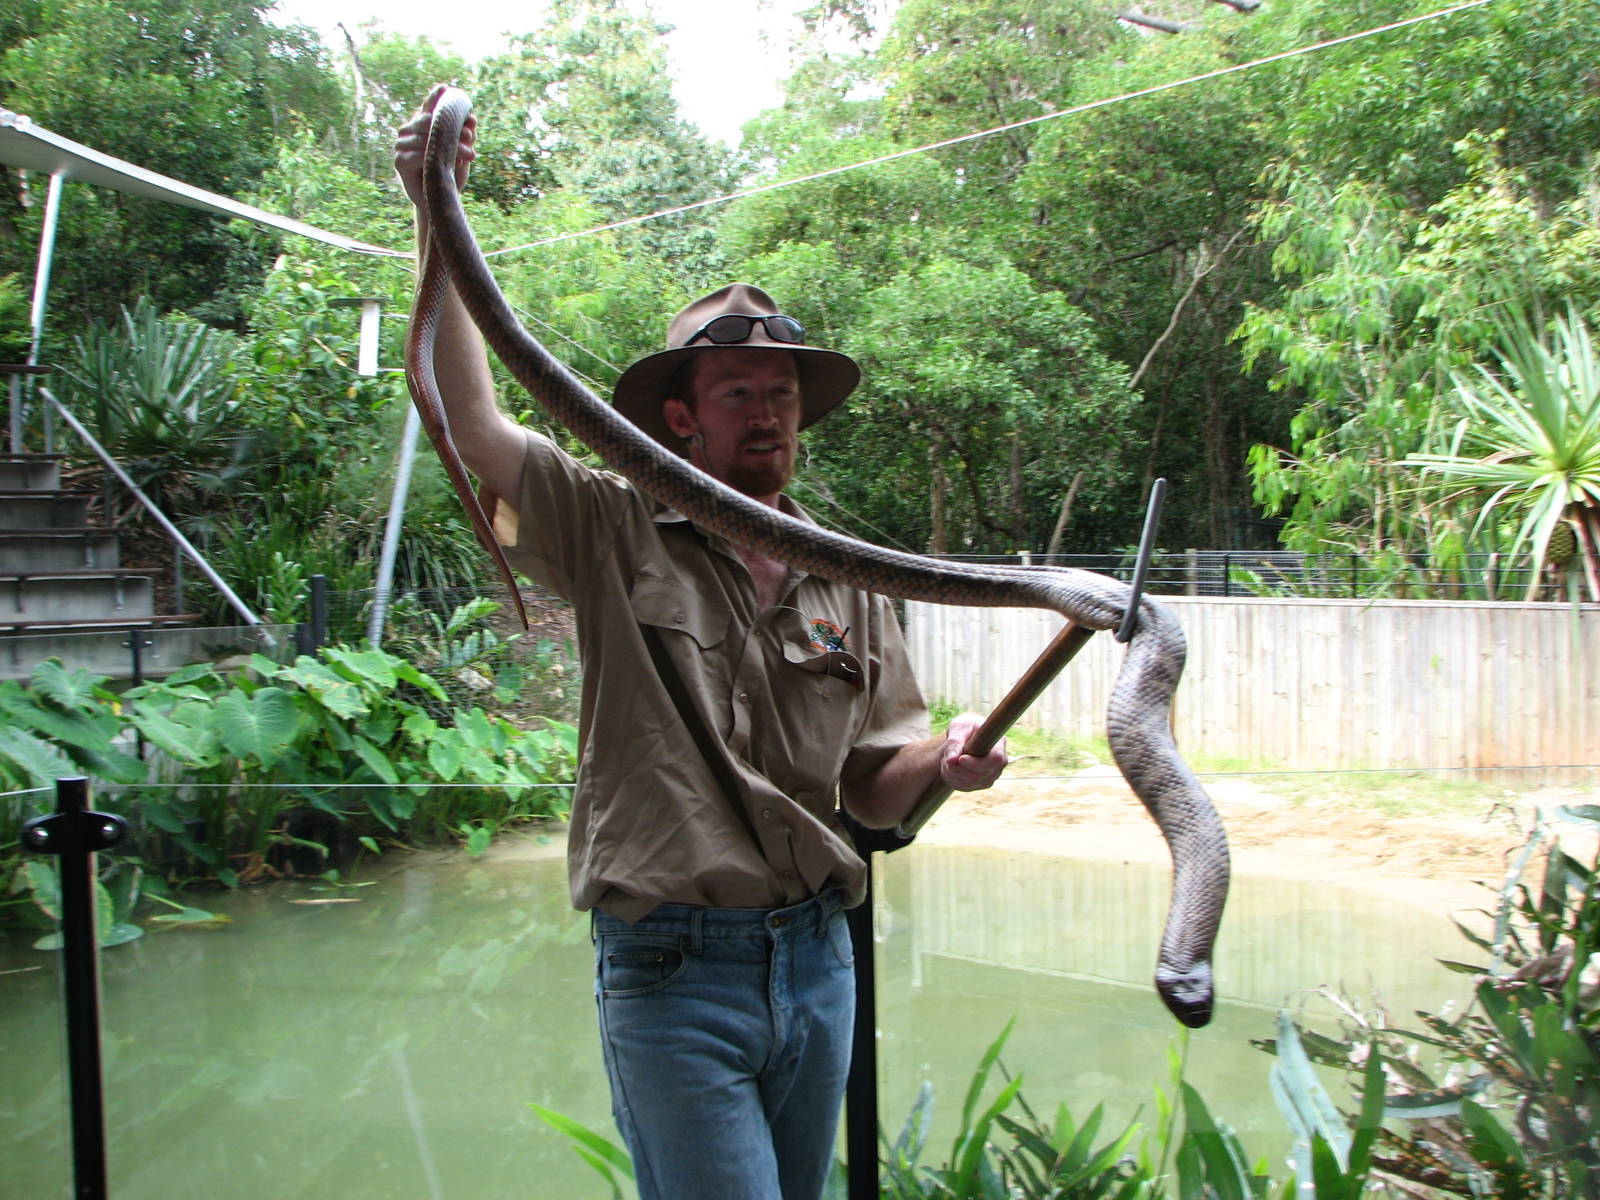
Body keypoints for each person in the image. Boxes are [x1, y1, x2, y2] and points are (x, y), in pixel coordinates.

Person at [394, 86, 1009, 1200]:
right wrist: (435, 213)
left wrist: (946, 766)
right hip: (674, 969)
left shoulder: (857, 579)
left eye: (780, 393)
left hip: (819, 960)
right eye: (736, 392)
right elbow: (469, 416)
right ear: (679, 418)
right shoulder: (609, 522)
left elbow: (872, 788)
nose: (767, 412)